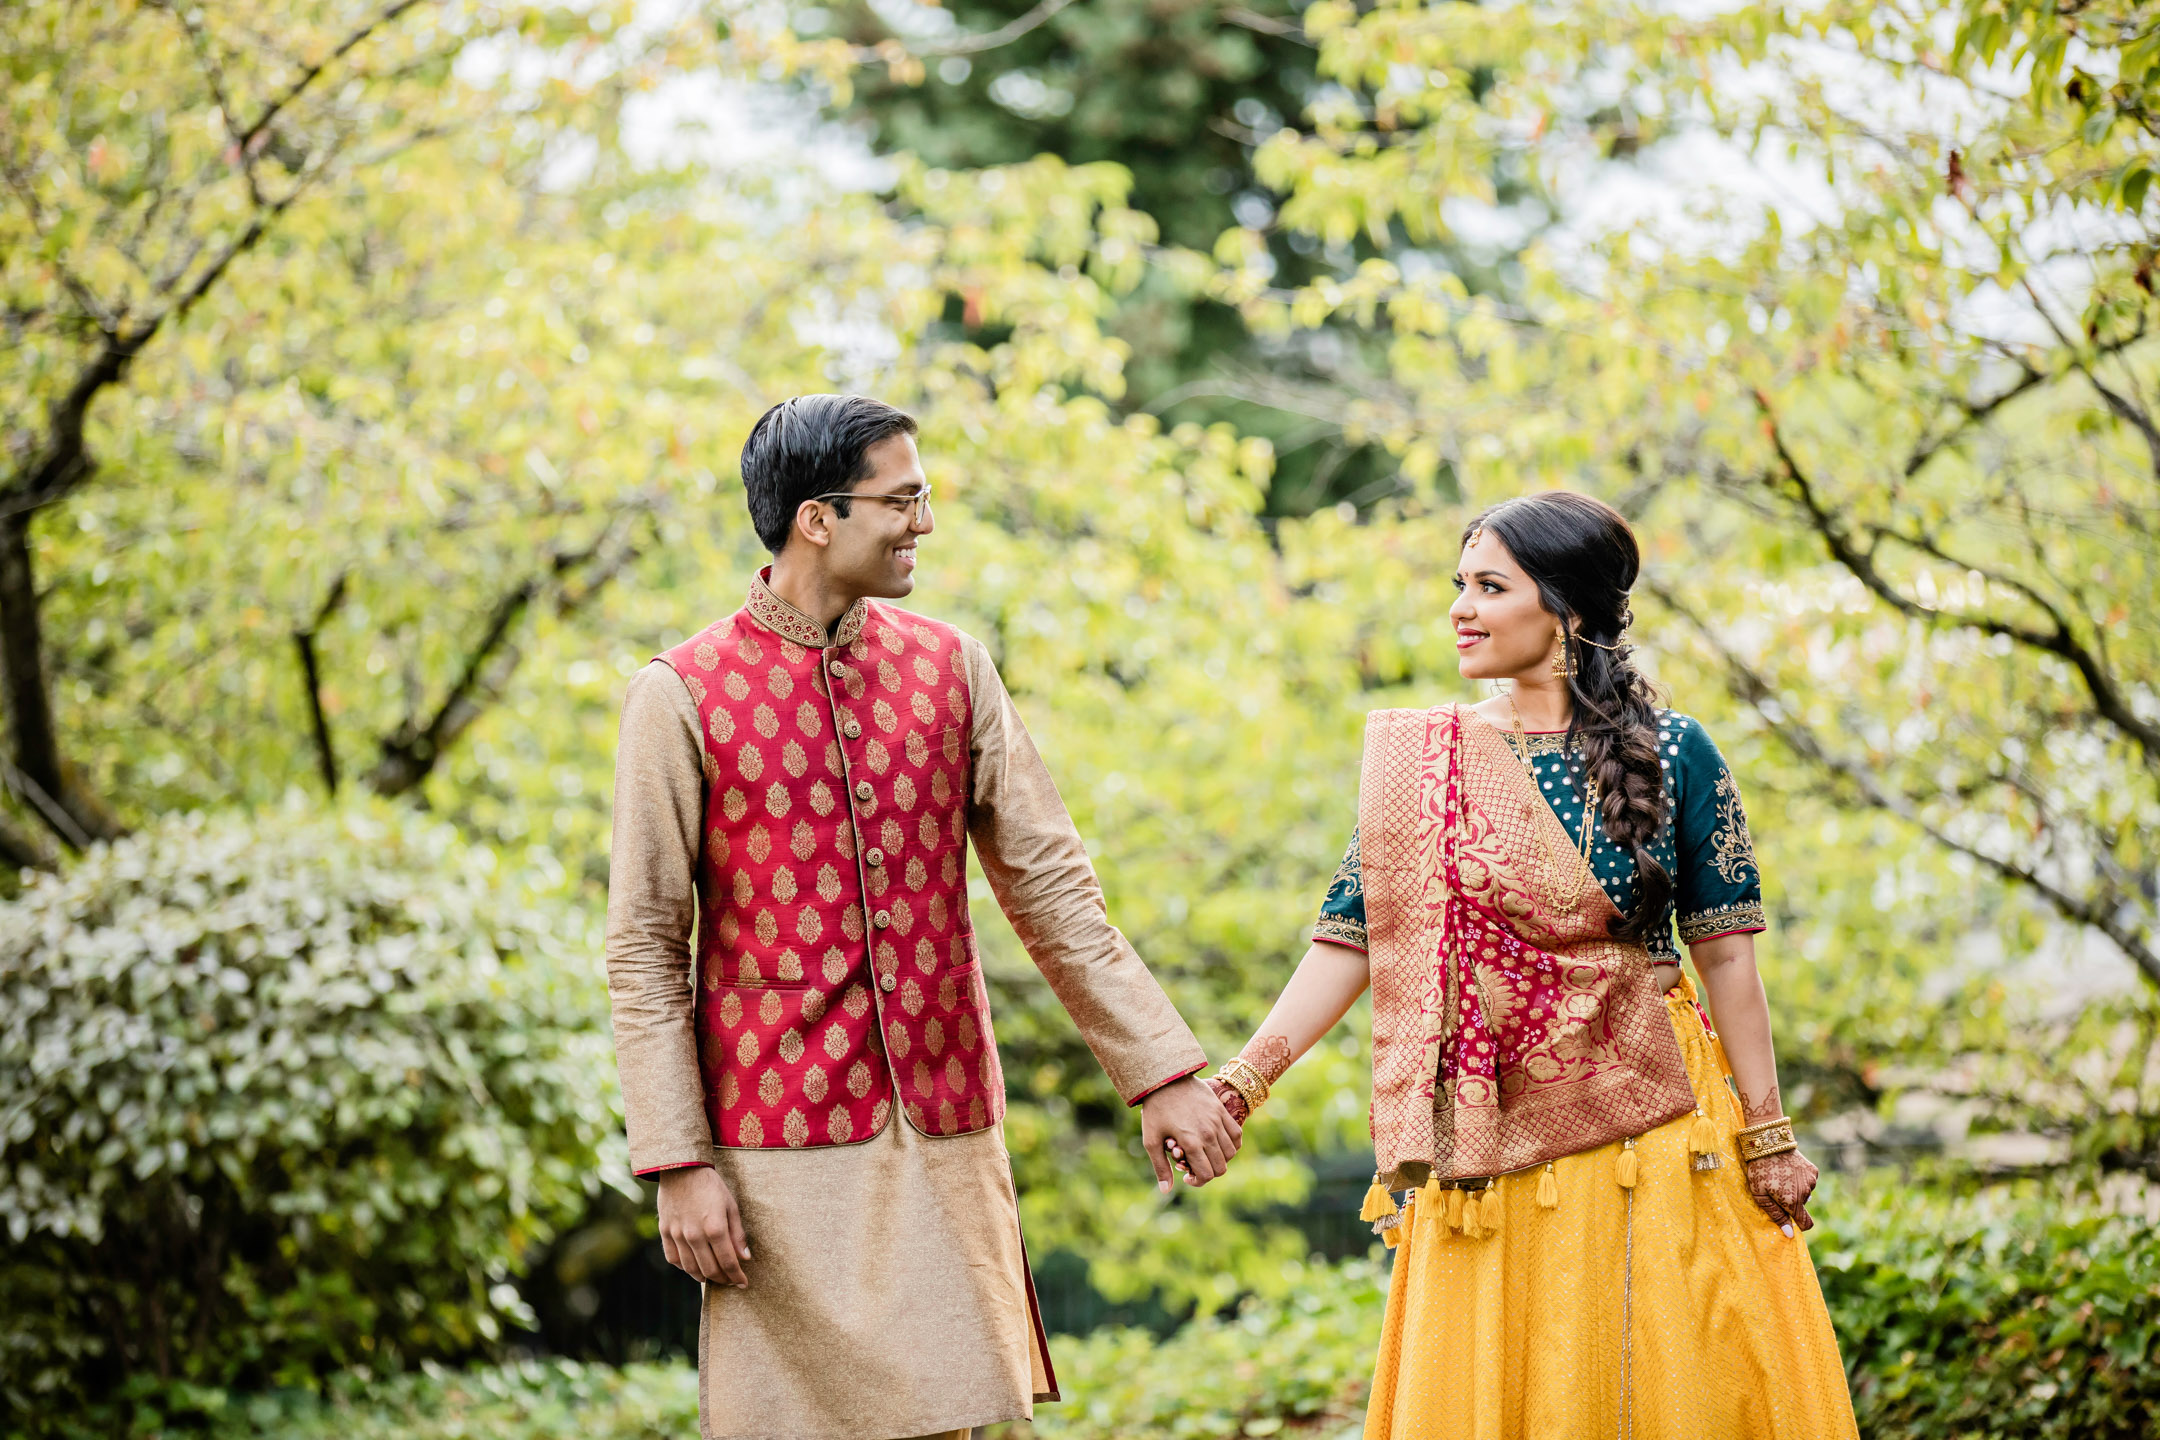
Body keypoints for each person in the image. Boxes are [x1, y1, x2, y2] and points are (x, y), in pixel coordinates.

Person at [603, 394, 1241, 1440]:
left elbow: (1052, 888)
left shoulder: (953, 668)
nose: (924, 523)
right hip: (773, 1148)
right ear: (819, 517)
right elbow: (642, 949)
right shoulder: (678, 696)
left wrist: (1161, 1072)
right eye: (903, 500)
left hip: (947, 1130)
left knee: (972, 1421)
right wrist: (678, 1161)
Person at [1203, 492, 1859, 1438]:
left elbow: (1727, 961)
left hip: (1659, 1122)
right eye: (1458, 585)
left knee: (1673, 1383)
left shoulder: (1677, 751)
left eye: (1489, 586)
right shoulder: (1425, 764)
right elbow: (1346, 943)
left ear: (1569, 612)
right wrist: (1240, 1086)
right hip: (1490, 1130)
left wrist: (1769, 1132)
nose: (1460, 609)